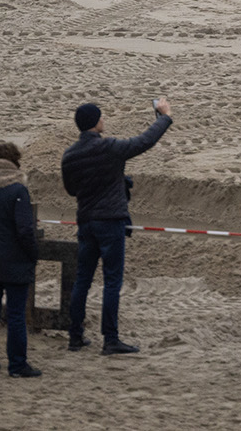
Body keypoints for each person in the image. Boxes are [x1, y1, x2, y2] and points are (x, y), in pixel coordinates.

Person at [63, 98, 174, 355]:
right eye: (100, 116)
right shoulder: (108, 147)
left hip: (86, 220)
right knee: (112, 281)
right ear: (94, 122)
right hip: (110, 220)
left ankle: (75, 336)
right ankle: (110, 339)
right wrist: (165, 118)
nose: (103, 120)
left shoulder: (70, 154)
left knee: (82, 280)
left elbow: (71, 190)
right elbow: (143, 141)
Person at [0, 141, 43, 378]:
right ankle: (17, 364)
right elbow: (25, 229)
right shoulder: (17, 190)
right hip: (15, 259)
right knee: (15, 314)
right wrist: (33, 254)